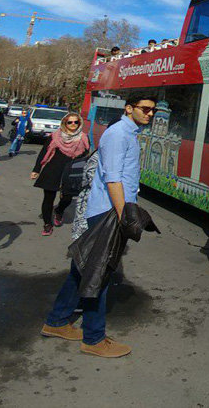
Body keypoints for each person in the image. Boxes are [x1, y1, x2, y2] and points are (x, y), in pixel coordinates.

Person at [41, 94, 156, 358]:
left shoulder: (128, 133)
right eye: (145, 109)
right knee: (99, 276)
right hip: (107, 213)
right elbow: (114, 179)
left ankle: (57, 321)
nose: (150, 114)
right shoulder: (118, 134)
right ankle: (93, 338)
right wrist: (123, 215)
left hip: (107, 210)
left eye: (153, 111)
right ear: (129, 109)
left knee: (82, 270)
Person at [32, 112, 90, 235]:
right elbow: (44, 152)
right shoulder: (55, 136)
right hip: (53, 169)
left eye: (76, 122)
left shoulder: (83, 137)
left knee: (68, 198)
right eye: (70, 122)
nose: (73, 124)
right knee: (48, 198)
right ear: (65, 123)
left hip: (71, 172)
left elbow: (85, 156)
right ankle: (47, 224)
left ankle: (59, 211)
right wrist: (36, 169)